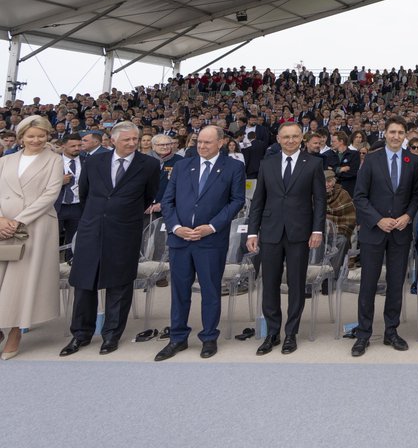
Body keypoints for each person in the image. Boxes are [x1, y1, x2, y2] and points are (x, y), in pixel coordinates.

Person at [62, 121, 159, 357]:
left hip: (125, 231)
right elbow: (84, 193)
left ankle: (111, 335)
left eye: (135, 139)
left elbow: (148, 196)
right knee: (85, 283)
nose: (132, 143)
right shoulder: (94, 161)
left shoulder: (149, 164)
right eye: (127, 139)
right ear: (113, 140)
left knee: (120, 284)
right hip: (91, 229)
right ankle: (81, 334)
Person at [156, 125, 246, 361]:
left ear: (221, 143)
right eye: (199, 142)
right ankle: (177, 337)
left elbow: (237, 201)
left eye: (207, 142)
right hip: (181, 239)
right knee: (179, 291)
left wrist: (212, 227)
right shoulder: (182, 166)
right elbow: (168, 201)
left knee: (210, 290)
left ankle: (209, 337)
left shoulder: (234, 167)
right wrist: (176, 227)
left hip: (211, 241)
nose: (202, 146)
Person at [246, 121, 325, 356]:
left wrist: (317, 230)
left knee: (296, 284)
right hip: (271, 231)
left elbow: (320, 200)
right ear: (278, 139)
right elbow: (258, 200)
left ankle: (291, 333)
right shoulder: (266, 164)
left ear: (301, 138)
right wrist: (253, 232)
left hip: (300, 232)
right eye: (286, 137)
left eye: (295, 136)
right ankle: (272, 333)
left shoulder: (314, 163)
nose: (290, 140)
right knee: (269, 283)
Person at [351, 117, 418, 357]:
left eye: (400, 132)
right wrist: (378, 219)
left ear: (405, 135)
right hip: (374, 231)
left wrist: (408, 216)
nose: (396, 136)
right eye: (392, 132)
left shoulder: (413, 161)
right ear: (385, 133)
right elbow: (360, 196)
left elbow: (416, 196)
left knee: (395, 284)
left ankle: (391, 331)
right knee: (368, 284)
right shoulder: (371, 160)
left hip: (400, 232)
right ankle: (363, 334)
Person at [0, 115, 64, 359]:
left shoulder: (54, 160)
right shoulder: (6, 160)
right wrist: (1, 219)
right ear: (21, 137)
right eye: (31, 136)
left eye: (41, 135)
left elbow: (50, 194)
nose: (36, 140)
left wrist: (19, 220)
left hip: (34, 226)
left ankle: (16, 330)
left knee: (22, 281)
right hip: (3, 226)